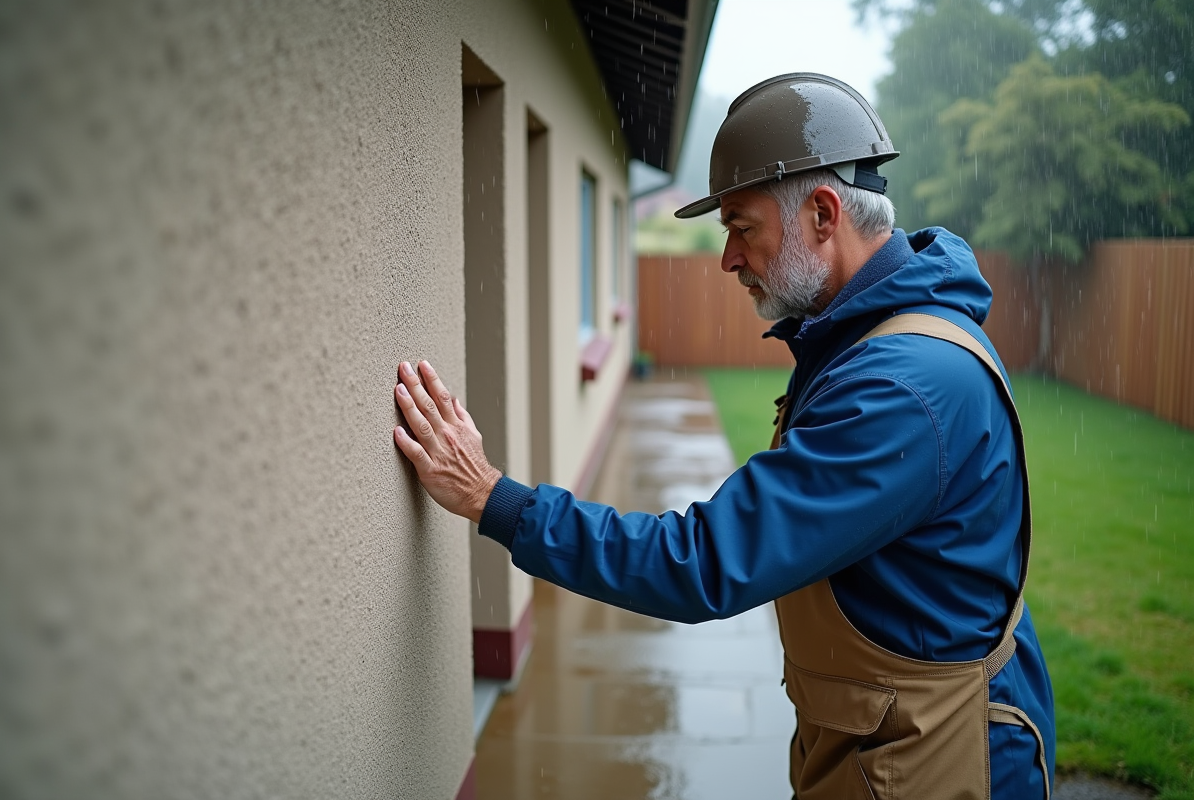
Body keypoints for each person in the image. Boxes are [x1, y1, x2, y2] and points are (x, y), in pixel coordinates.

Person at [394, 73, 1055, 800]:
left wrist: (495, 498)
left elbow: (703, 564)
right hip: (892, 739)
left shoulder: (900, 388)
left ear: (825, 214)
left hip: (938, 763)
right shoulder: (872, 337)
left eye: (742, 226)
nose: (728, 259)